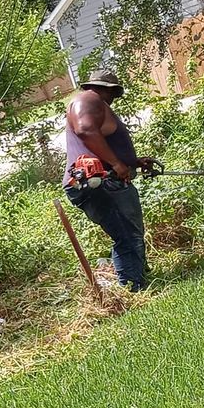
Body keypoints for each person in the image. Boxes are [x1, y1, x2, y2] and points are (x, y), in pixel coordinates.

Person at [62, 69, 156, 291]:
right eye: (114, 93)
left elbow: (100, 139)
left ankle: (137, 277)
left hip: (108, 181)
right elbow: (85, 130)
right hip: (100, 182)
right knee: (126, 234)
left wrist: (132, 161)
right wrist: (116, 164)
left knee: (130, 232)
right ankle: (132, 288)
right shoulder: (88, 99)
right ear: (106, 89)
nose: (114, 99)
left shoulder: (96, 104)